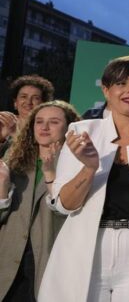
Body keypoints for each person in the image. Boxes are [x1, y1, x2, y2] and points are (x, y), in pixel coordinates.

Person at [38, 56, 129, 302]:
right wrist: (88, 169)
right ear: (106, 90)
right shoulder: (81, 132)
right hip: (87, 245)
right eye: (121, 83)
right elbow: (63, 205)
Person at [0, 100, 80, 300]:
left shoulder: (78, 166)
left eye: (53, 122)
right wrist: (2, 193)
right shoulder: (13, 164)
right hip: (7, 260)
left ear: (69, 128)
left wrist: (52, 175)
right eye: (39, 121)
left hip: (50, 260)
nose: (44, 127)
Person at [0, 75, 55, 157]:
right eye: (23, 97)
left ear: (43, 104)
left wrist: (14, 135)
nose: (28, 102)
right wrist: (1, 138)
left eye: (35, 98)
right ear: (15, 103)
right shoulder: (3, 122)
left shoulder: (47, 129)